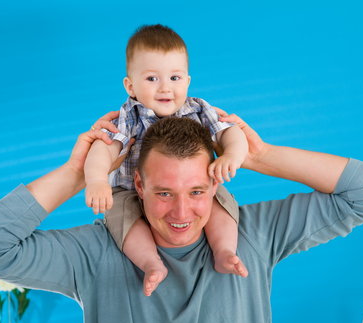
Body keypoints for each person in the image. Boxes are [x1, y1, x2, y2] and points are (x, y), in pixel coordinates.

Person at [0, 112, 363, 323]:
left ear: (217, 185)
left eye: (197, 191)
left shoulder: (255, 234)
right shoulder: (94, 252)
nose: (182, 213)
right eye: (164, 192)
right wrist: (80, 173)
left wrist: (261, 155)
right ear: (139, 187)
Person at [84, 24, 249, 296]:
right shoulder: (128, 117)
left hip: (186, 191)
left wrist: (231, 154)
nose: (165, 88)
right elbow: (103, 149)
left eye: (175, 78)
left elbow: (232, 131)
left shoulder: (198, 109)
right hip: (129, 191)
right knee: (121, 216)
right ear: (131, 86)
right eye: (152, 79)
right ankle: (151, 263)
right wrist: (97, 180)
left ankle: (224, 251)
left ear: (187, 81)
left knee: (218, 201)